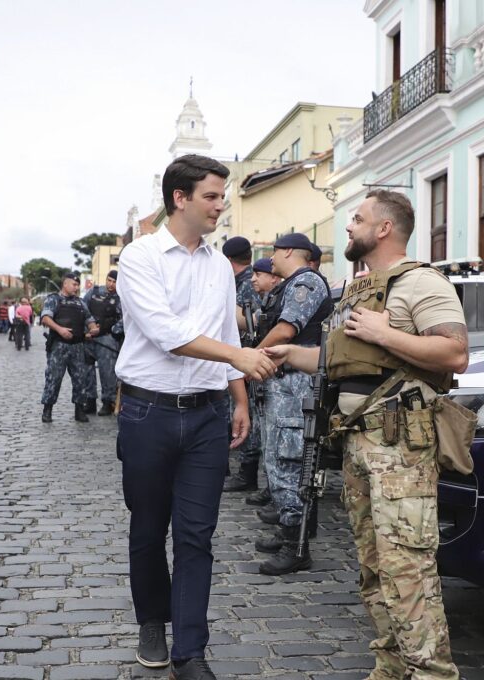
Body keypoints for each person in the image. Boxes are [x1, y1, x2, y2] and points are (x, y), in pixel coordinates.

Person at [265, 190, 468, 679]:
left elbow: (454, 354)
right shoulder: (357, 289)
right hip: (358, 442)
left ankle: (431, 673)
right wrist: (284, 356)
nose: (348, 227)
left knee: (408, 570)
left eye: (357, 219)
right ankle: (391, 667)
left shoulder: (422, 282)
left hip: (400, 444)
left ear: (383, 229)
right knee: (374, 567)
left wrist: (384, 333)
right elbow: (343, 362)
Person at [115, 154, 276, 680]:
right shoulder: (140, 257)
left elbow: (227, 334)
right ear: (179, 198)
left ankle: (190, 652)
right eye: (211, 195)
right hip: (147, 414)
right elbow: (167, 333)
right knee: (147, 530)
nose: (220, 205)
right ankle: (151, 622)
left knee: (195, 536)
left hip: (208, 416)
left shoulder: (217, 265)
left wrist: (240, 400)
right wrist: (238, 360)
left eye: (222, 195)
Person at [252, 232, 332, 575]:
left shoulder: (306, 283)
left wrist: (251, 358)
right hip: (283, 384)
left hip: (295, 385)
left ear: (287, 251)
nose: (270, 260)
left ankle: (296, 545)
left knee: (290, 460)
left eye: (274, 252)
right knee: (276, 459)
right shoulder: (291, 283)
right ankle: (287, 529)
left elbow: (286, 331)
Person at [222, 235, 263, 492]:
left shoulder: (246, 284)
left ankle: (247, 473)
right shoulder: (246, 280)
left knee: (245, 412)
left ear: (228, 260)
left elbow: (249, 322)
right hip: (240, 355)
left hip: (245, 356)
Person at [244, 257, 283, 509]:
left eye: (259, 274)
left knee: (277, 442)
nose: (253, 279)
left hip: (279, 376)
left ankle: (283, 502)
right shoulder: (267, 300)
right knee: (267, 437)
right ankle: (272, 489)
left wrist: (252, 356)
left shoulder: (285, 296)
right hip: (265, 376)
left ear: (274, 277)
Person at [40, 273, 99, 423]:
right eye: (74, 284)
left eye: (78, 285)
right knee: (53, 379)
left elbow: (89, 319)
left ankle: (79, 411)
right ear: (65, 284)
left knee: (80, 380)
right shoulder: (54, 299)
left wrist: (93, 329)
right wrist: (60, 329)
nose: (77, 287)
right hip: (59, 346)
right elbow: (46, 318)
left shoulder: (80, 303)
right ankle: (47, 410)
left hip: (78, 346)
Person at [82, 270, 123, 416]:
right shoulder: (93, 292)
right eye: (109, 280)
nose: (111, 284)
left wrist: (112, 330)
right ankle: (89, 400)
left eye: (114, 282)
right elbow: (83, 309)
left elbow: (125, 319)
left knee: (107, 373)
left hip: (107, 340)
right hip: (88, 337)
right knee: (87, 371)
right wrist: (87, 328)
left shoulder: (122, 298)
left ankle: (108, 402)